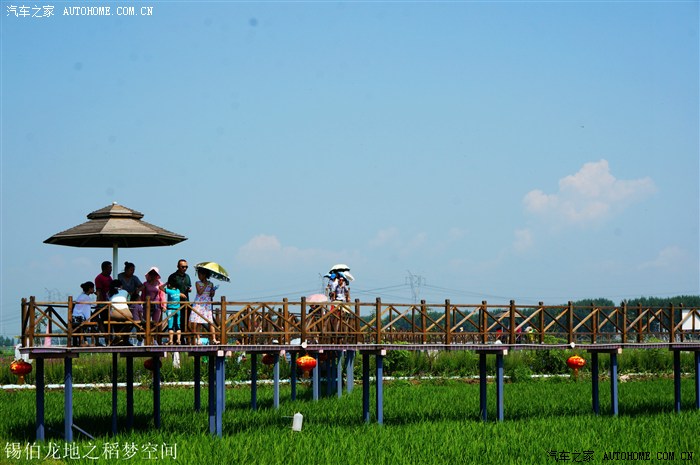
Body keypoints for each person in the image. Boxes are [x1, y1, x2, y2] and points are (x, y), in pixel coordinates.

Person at [189, 267, 218, 345]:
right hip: (199, 303)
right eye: (198, 274)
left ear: (205, 275)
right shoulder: (197, 283)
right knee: (198, 322)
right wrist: (205, 285)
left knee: (210, 322)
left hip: (207, 304)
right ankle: (198, 339)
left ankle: (214, 339)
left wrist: (213, 291)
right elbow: (199, 292)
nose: (199, 276)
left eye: (200, 274)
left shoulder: (211, 283)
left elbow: (211, 295)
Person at [167, 259, 192, 342]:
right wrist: (179, 294)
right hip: (175, 303)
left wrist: (189, 289)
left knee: (185, 321)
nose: (184, 268)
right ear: (178, 267)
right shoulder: (173, 277)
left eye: (186, 267)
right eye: (183, 267)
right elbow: (169, 290)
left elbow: (189, 286)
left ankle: (182, 338)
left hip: (185, 302)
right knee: (174, 321)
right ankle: (174, 339)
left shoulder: (187, 276)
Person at [93, 261, 112, 345]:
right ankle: (106, 339)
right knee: (103, 321)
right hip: (103, 304)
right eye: (109, 268)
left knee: (109, 322)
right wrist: (101, 304)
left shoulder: (109, 278)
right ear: (104, 268)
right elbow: (99, 291)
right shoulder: (99, 278)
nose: (111, 269)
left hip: (109, 303)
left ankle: (109, 339)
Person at [108, 279, 132, 345]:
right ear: (121, 286)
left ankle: (118, 336)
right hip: (125, 313)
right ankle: (123, 338)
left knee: (115, 323)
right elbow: (128, 302)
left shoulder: (109, 293)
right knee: (132, 321)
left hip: (114, 313)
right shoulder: (125, 292)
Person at [72, 281, 95, 346]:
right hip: (79, 318)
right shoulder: (86, 297)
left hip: (74, 317)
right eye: (93, 288)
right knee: (96, 320)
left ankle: (84, 341)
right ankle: (92, 341)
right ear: (90, 289)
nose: (94, 290)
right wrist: (98, 295)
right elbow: (95, 305)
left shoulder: (81, 296)